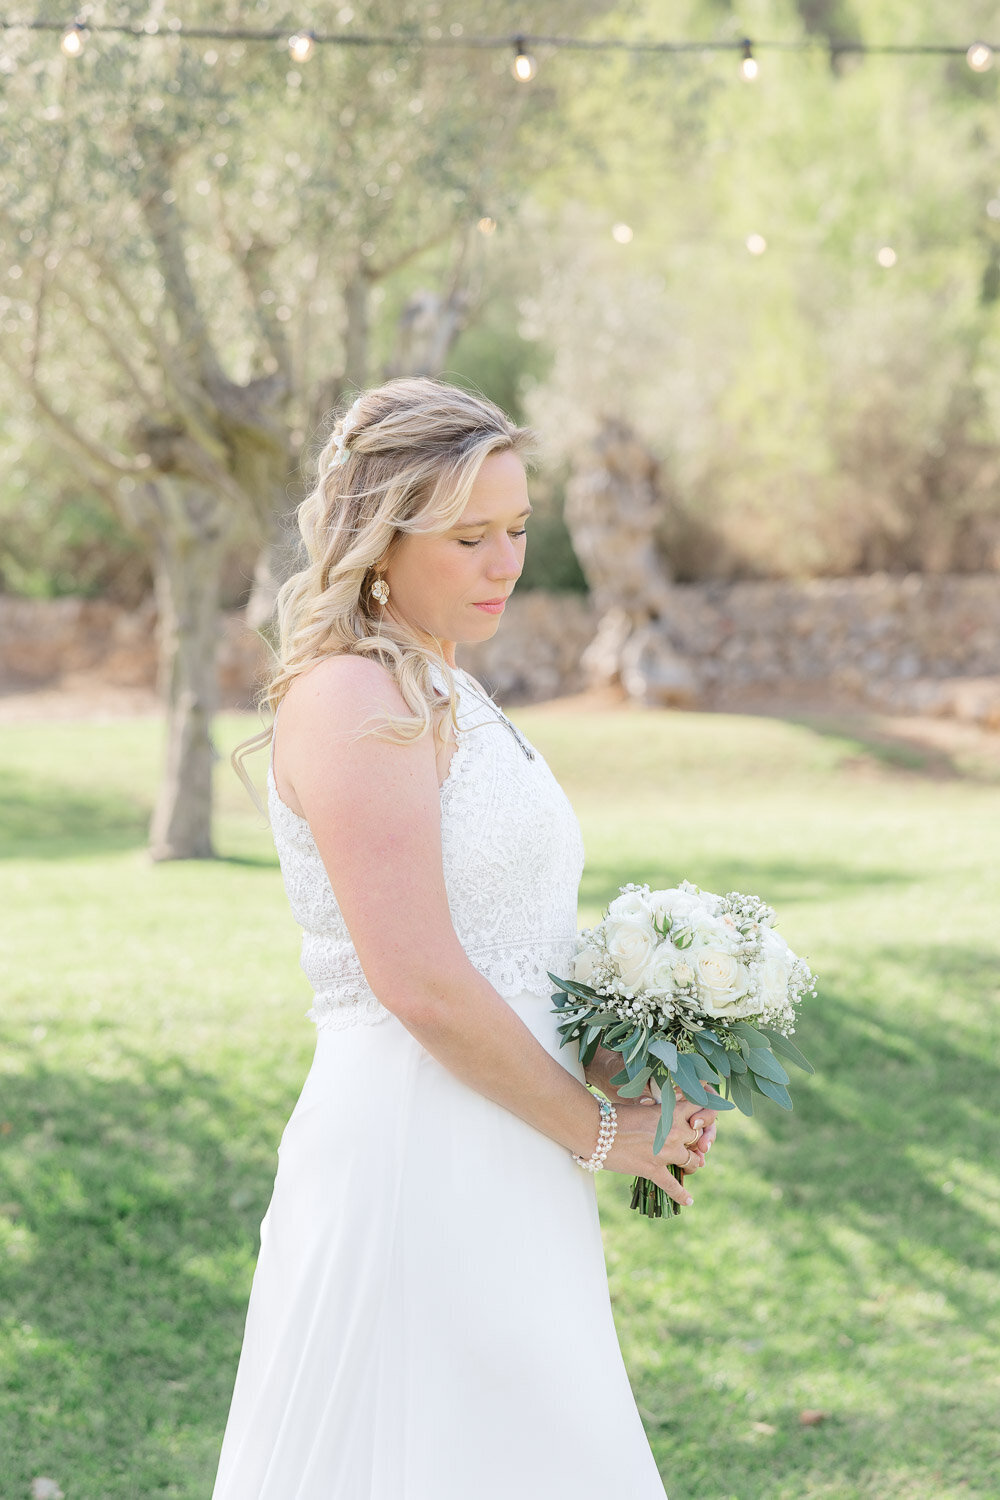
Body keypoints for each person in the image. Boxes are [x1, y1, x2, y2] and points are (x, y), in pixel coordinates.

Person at [212, 377, 718, 1499]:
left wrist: (629, 1065)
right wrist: (599, 1136)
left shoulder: (448, 685)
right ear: (379, 542)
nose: (507, 564)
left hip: (512, 1142)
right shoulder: (353, 698)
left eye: (519, 530)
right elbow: (421, 981)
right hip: (415, 1150)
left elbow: (511, 944)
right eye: (470, 536)